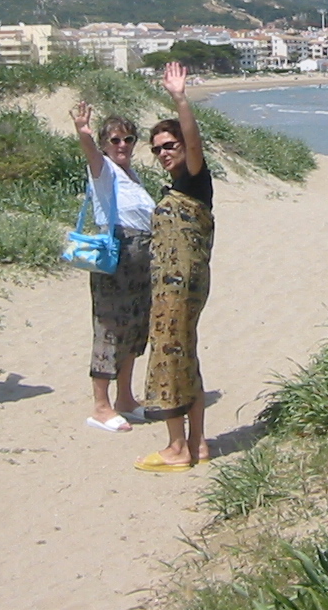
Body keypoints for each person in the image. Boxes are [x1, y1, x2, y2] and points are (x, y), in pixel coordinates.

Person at [135, 60, 215, 473]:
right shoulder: (178, 186)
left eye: (170, 145)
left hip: (178, 288)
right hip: (186, 285)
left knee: (167, 355)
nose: (164, 152)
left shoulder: (195, 178)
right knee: (187, 356)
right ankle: (198, 444)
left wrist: (180, 99)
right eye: (158, 149)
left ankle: (176, 447)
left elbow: (195, 141)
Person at [70, 101, 156, 433]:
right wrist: (84, 133)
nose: (122, 146)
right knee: (109, 328)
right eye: (116, 140)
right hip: (117, 256)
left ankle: (125, 399)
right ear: (106, 144)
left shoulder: (131, 176)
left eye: (129, 139)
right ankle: (101, 406)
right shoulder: (103, 169)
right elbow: (91, 155)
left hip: (141, 260)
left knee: (134, 328)